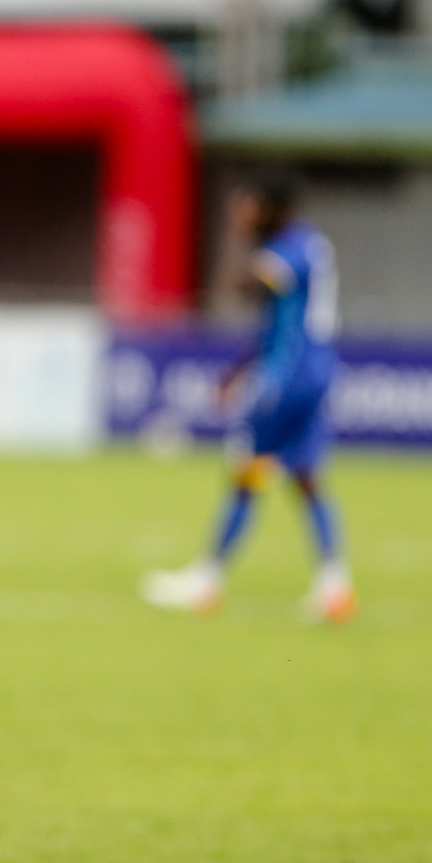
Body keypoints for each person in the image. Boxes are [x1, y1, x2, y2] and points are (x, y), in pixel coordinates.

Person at [141, 184, 356, 624]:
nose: (243, 215)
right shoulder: (308, 245)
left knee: (246, 473)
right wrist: (240, 368)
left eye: (249, 207)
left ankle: (207, 581)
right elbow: (278, 322)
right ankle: (335, 585)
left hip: (288, 379)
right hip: (314, 371)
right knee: (307, 477)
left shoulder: (295, 246)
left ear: (273, 208)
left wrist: (228, 259)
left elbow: (254, 284)